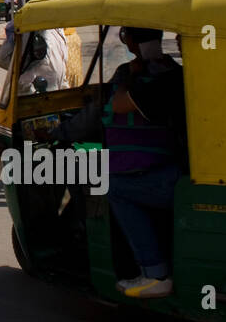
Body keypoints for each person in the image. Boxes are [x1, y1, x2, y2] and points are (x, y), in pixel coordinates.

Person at [54, 26, 184, 299]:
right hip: (173, 164)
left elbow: (112, 107)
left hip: (163, 175)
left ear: (131, 42)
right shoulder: (178, 73)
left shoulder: (139, 78)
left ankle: (154, 271)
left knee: (113, 188)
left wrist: (58, 134)